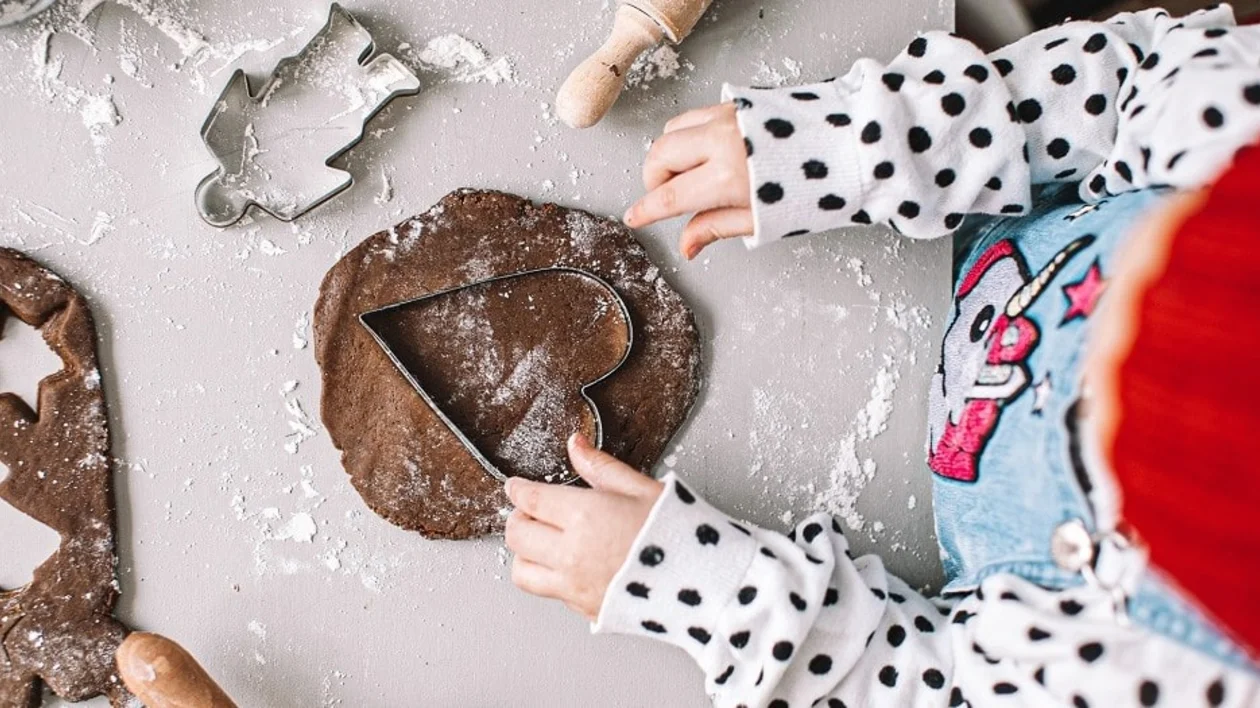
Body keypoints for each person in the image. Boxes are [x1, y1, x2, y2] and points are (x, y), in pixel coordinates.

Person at [504, 5, 1260, 706]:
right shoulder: (1240, 131)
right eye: (1151, 271)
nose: (1098, 334)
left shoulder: (1157, 675)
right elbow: (1128, 82)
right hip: (972, 210)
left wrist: (707, 588)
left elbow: (935, 688)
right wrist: (869, 144)